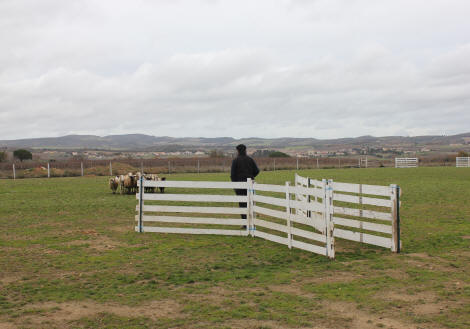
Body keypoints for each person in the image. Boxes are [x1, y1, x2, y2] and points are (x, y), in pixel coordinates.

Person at [230, 144, 260, 220]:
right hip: (250, 185)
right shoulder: (250, 160)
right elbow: (257, 171)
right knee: (250, 203)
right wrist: (251, 177)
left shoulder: (235, 161)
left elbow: (232, 175)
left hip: (239, 186)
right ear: (245, 150)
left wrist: (235, 185)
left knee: (242, 204)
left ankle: (244, 223)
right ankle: (251, 221)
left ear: (238, 151)